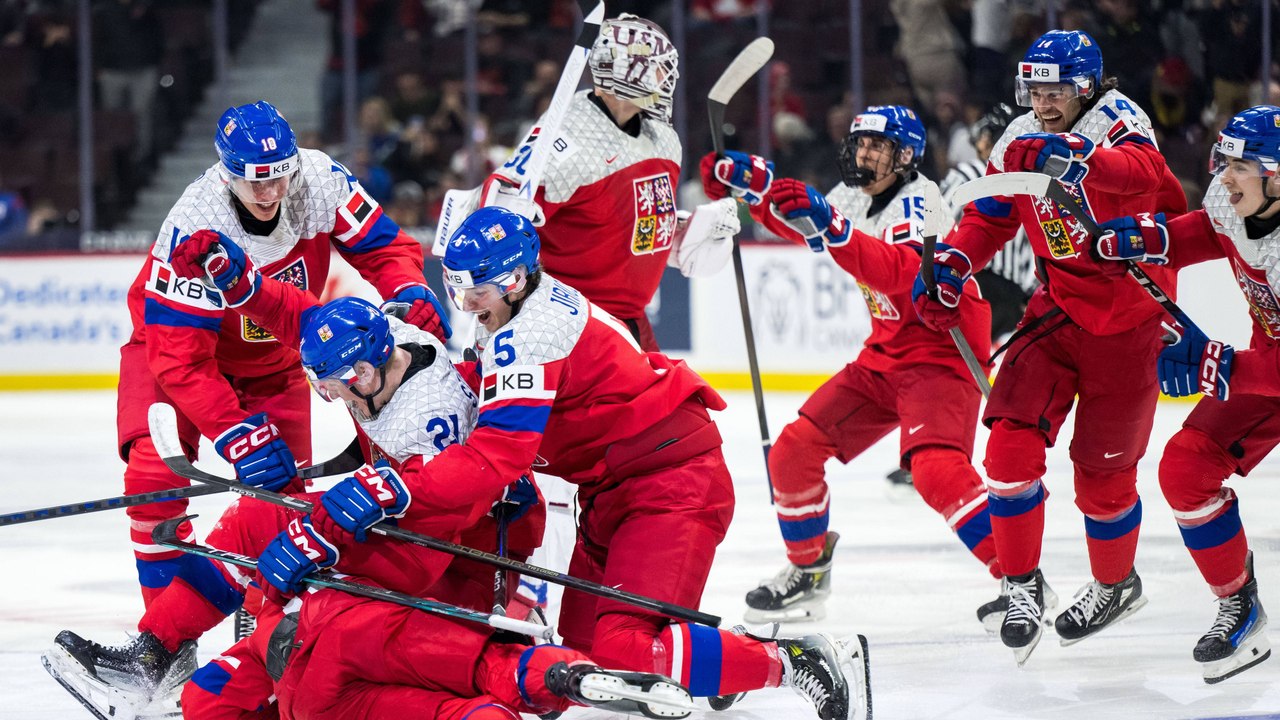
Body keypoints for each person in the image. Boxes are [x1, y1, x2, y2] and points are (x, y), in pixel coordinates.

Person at [426, 205, 869, 719]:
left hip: (671, 485)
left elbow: (498, 454)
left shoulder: (531, 334)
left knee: (623, 649)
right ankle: (724, 655)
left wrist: (411, 492)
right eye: (457, 289)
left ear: (515, 277)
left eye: (475, 290)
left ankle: (798, 659)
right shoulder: (516, 311)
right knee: (585, 648)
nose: (466, 304)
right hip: (617, 488)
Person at [49, 290, 518, 718]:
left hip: (434, 540)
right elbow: (300, 317)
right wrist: (242, 284)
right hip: (397, 508)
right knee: (262, 521)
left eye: (333, 383)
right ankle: (157, 654)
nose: (330, 395)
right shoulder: (387, 338)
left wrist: (321, 535)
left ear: (364, 371)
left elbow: (443, 500)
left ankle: (207, 665)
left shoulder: (428, 417)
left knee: (285, 550)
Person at [913, 29, 1188, 664]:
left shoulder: (1119, 119)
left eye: (1056, 88)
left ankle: (1117, 584)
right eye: (1033, 88)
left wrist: (1072, 158)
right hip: (1057, 310)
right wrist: (954, 263)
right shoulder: (1018, 136)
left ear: (1087, 87)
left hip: (1131, 319)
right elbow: (991, 213)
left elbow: (1147, 171)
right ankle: (1020, 583)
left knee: (1104, 479)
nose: (1043, 99)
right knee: (1008, 448)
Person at [115, 99, 450, 618]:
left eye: (280, 177)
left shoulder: (319, 180)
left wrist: (409, 287)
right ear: (228, 176)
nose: (271, 193)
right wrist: (233, 431)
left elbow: (385, 247)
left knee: (280, 506)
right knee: (151, 484)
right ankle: (166, 646)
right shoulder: (194, 227)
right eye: (256, 182)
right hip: (175, 355)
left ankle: (258, 637)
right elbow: (180, 360)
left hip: (274, 359)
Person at [701, 105, 1003, 627]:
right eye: (860, 143)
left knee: (936, 474)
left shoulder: (921, 203)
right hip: (884, 357)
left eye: (877, 147)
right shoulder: (855, 196)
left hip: (939, 356)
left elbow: (899, 274)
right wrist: (754, 188)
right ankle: (809, 569)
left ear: (905, 157)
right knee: (793, 452)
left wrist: (833, 225)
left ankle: (1018, 576)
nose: (863, 153)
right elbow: (805, 220)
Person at [1091, 105, 1277, 683]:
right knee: (1186, 467)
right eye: (1223, 162)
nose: (1223, 176)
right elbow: (1208, 231)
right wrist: (1151, 238)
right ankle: (1239, 604)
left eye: (1241, 166)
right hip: (1271, 364)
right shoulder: (1231, 199)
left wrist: (1217, 365)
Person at [480, 13, 741, 352]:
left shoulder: (664, 141)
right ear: (626, 73)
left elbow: (622, 223)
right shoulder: (567, 139)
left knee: (687, 406)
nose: (665, 78)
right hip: (568, 325)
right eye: (656, 67)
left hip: (631, 323)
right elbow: (494, 216)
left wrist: (684, 234)